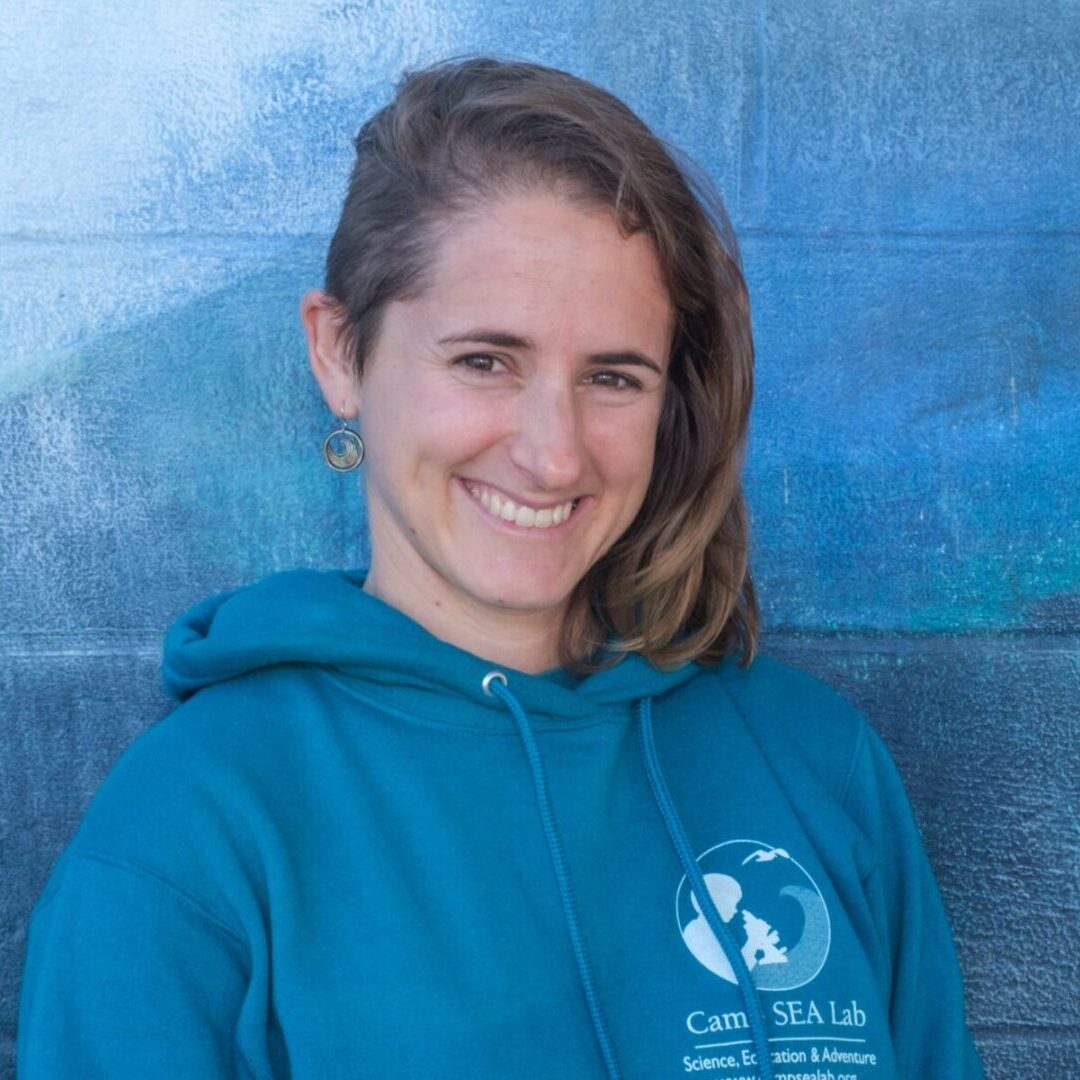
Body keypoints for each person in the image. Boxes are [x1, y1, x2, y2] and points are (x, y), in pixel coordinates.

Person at [16, 58, 983, 1078]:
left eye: (613, 377)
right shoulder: (190, 829)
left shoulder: (814, 760)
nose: (555, 454)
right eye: (486, 361)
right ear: (340, 352)